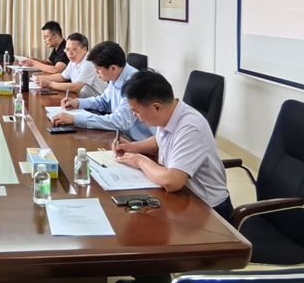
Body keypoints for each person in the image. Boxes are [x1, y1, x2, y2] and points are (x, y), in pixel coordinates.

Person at [114, 69, 232, 220]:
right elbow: (160, 141)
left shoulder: (190, 127)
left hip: (209, 210)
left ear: (156, 107)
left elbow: (172, 182)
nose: (134, 115)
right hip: (183, 197)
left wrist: (140, 161)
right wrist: (132, 147)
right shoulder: (169, 113)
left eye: (136, 111)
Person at [52, 41, 155, 141]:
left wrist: (76, 119)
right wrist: (78, 103)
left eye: (98, 69)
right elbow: (103, 101)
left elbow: (120, 121)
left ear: (113, 68)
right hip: (121, 136)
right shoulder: (116, 75)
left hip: (139, 142)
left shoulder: (134, 83)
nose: (96, 72)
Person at [35, 33, 105, 98]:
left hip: (97, 104)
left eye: (73, 49)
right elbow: (62, 77)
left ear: (84, 49)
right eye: (67, 49)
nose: (70, 53)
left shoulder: (89, 62)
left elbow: (76, 87)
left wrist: (49, 84)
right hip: (81, 99)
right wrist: (42, 78)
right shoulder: (74, 60)